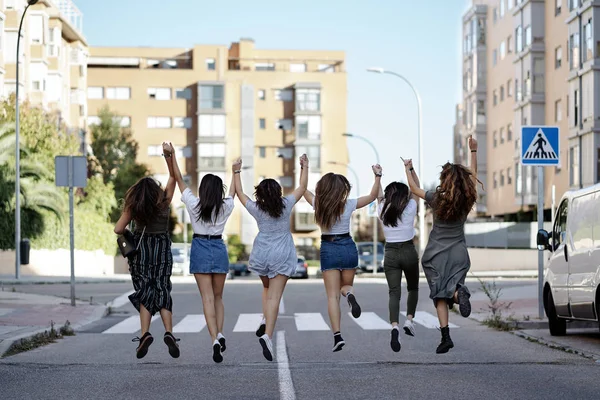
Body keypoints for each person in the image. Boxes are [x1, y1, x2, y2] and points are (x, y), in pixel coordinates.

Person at [405, 136, 480, 354]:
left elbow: (414, 188)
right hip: (458, 252)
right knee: (452, 288)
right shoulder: (467, 200)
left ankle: (446, 337)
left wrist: (409, 168)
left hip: (436, 253)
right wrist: (473, 151)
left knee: (439, 294)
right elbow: (473, 177)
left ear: (444, 179)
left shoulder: (436, 198)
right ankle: (459, 294)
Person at [233, 154, 309, 361]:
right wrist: (304, 166)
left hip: (262, 253)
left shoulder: (257, 209)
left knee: (266, 289)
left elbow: (239, 193)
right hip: (282, 253)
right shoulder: (286, 205)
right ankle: (267, 335)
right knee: (275, 296)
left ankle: (265, 319)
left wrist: (236, 171)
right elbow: (302, 187)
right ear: (278, 192)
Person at [166, 142, 234, 364]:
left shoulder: (194, 204)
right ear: (218, 191)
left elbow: (178, 180)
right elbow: (233, 192)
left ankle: (214, 338)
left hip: (200, 249)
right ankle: (221, 333)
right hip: (218, 248)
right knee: (218, 298)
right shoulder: (225, 207)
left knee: (206, 299)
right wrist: (236, 172)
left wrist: (172, 156)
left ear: (203, 190)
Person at [304, 164, 382, 352]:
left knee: (332, 296)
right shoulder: (348, 204)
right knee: (345, 287)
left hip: (328, 248)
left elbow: (301, 189)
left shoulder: (318, 205)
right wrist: (378, 176)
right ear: (342, 190)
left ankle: (337, 336)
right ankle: (350, 295)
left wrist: (304, 167)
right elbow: (372, 197)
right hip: (348, 247)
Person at [114, 142, 179, 360]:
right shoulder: (164, 201)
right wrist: (169, 156)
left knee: (145, 293)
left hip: (141, 251)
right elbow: (173, 178)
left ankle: (144, 335)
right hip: (161, 249)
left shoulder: (134, 206)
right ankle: (169, 332)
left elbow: (118, 229)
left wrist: (131, 223)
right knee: (162, 290)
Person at [377, 166, 421, 353]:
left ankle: (394, 327)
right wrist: (409, 169)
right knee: (413, 288)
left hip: (391, 252)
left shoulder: (381, 209)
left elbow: (378, 195)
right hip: (408, 250)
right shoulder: (410, 207)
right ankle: (409, 320)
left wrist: (377, 176)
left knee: (394, 292)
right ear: (404, 195)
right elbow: (416, 188)